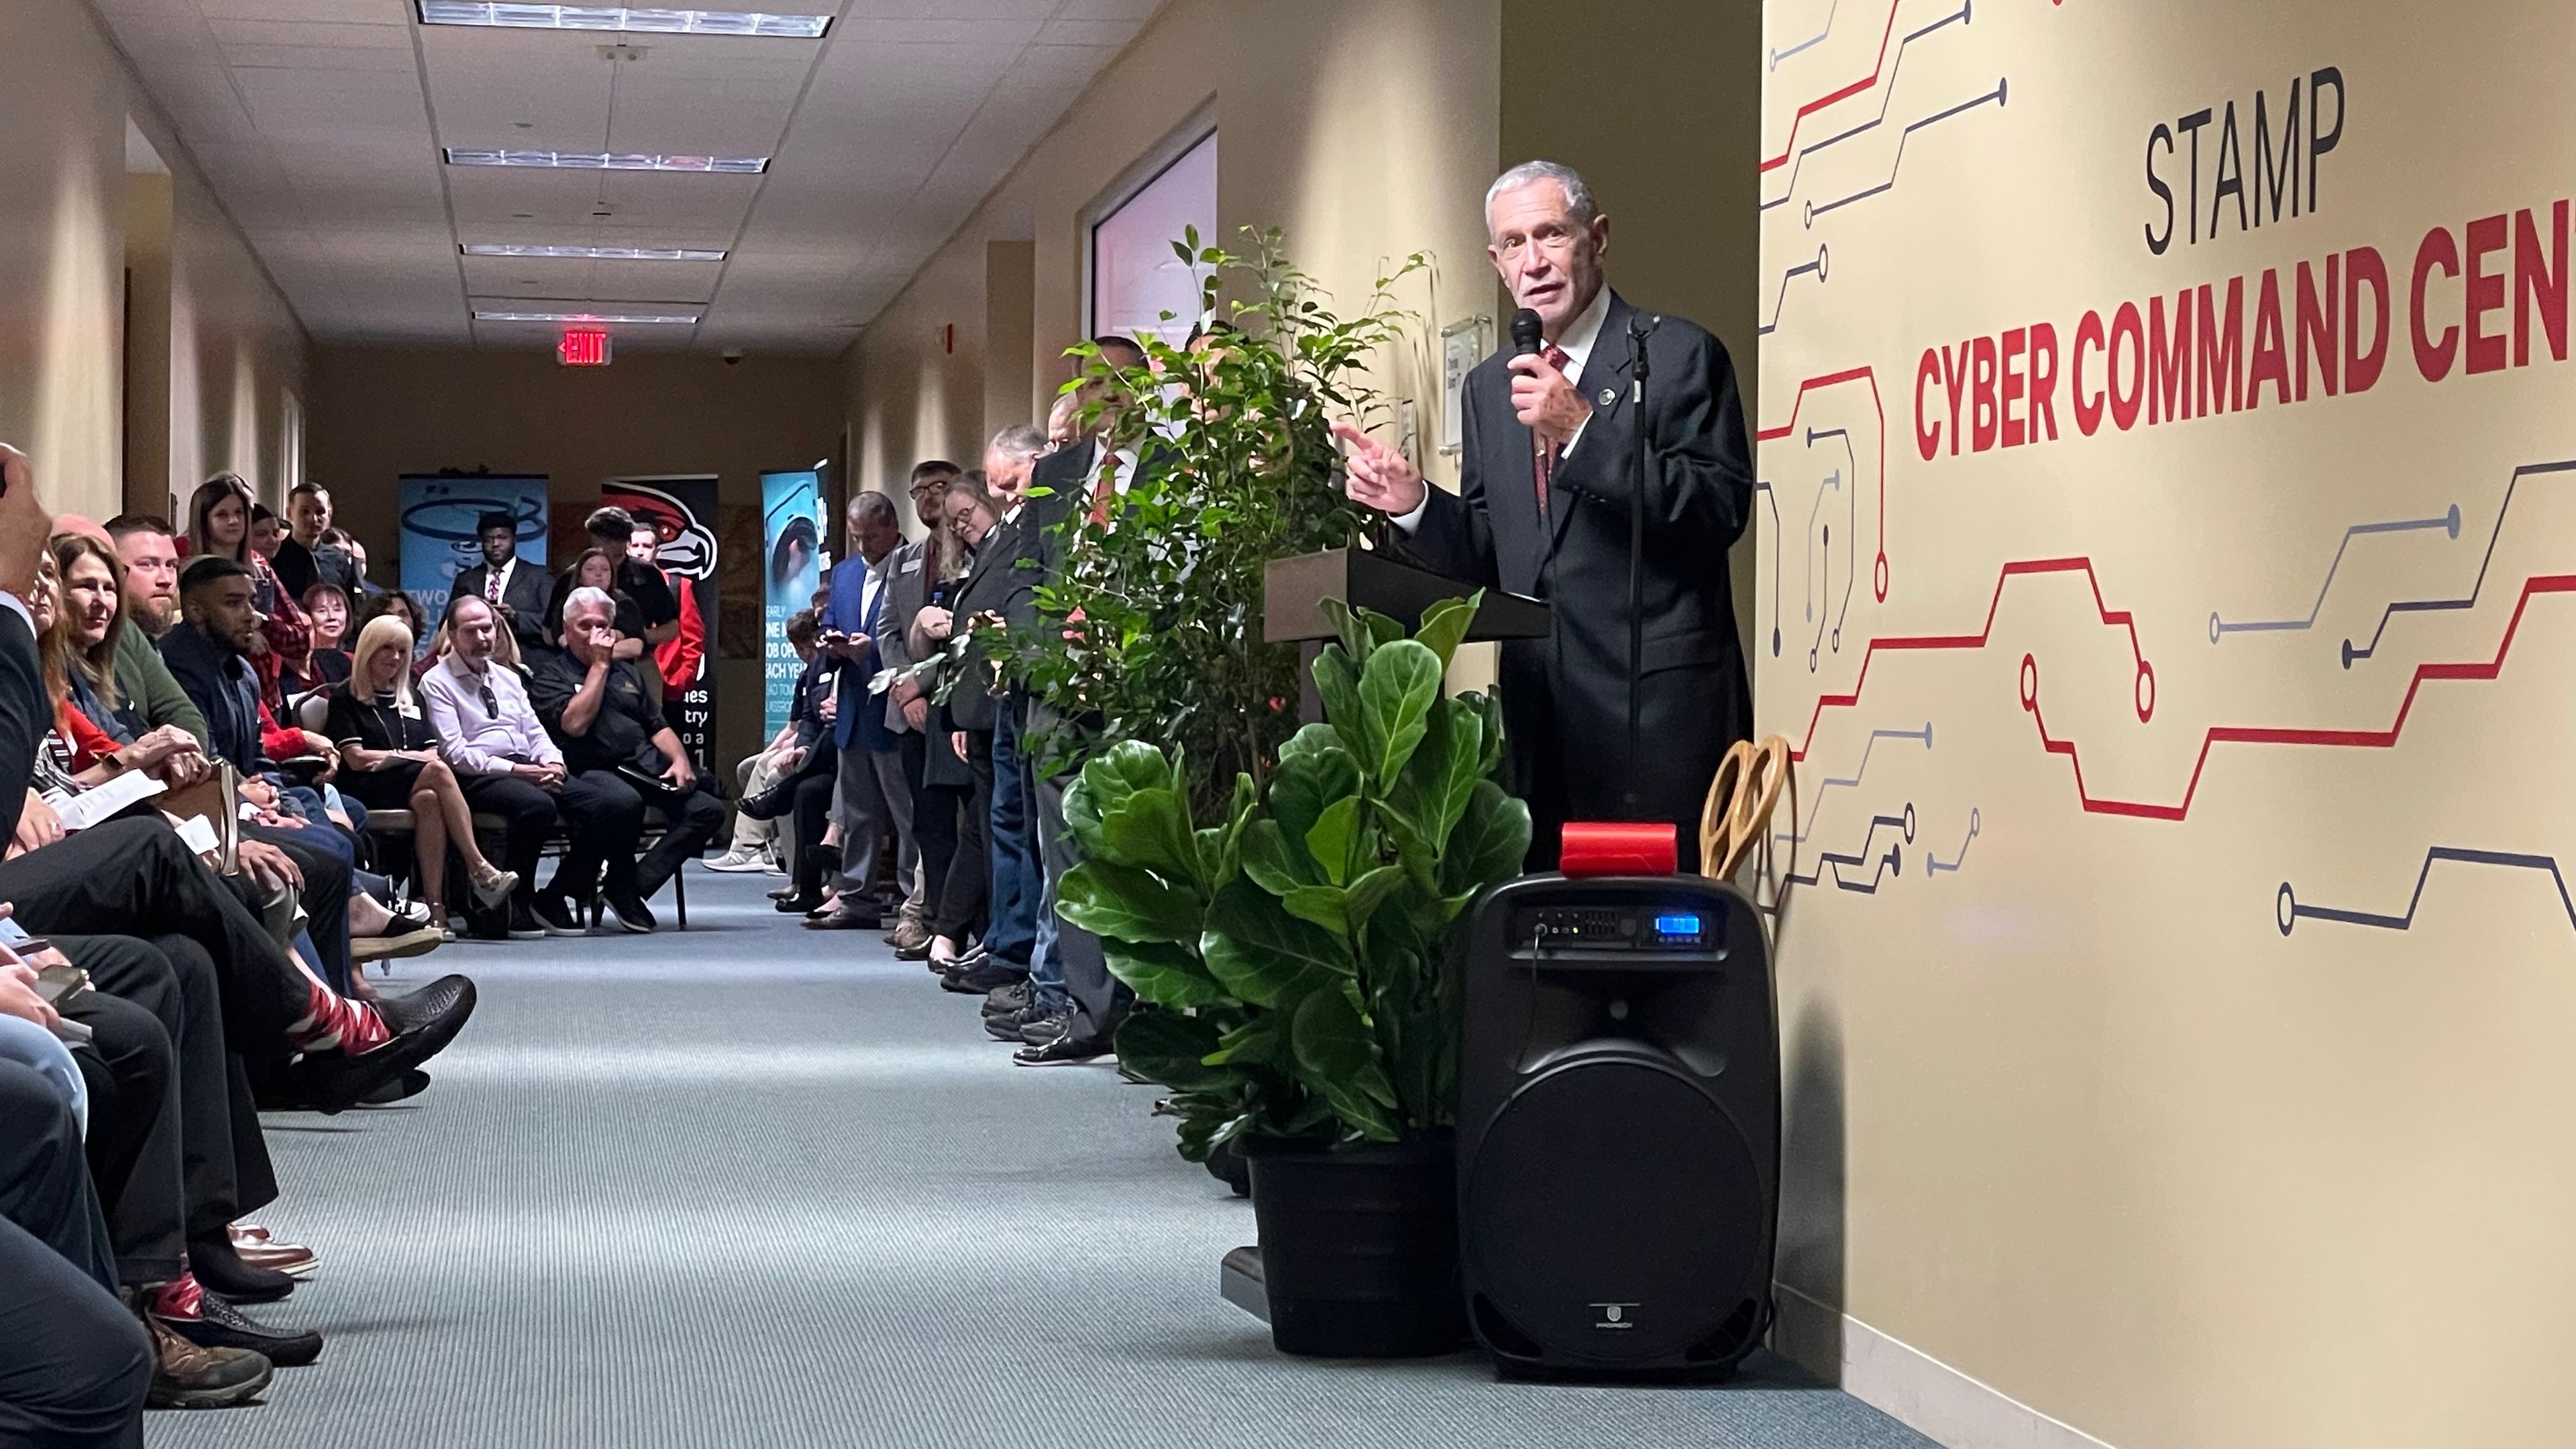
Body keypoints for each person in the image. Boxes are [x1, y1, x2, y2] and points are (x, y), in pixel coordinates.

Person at [1334, 159, 1754, 869]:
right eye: (1515, 244)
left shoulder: (1680, 355)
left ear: (1597, 237)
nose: (1534, 262)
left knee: (1666, 943)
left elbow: (1718, 511)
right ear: (1496, 262)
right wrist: (1414, 505)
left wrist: (1585, 431)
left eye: (1551, 236)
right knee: (1552, 951)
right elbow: (1491, 555)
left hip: (1659, 719)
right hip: (1543, 721)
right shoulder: (1491, 387)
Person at [1003, 335, 1154, 1064]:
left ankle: (1151, 1015)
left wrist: (1122, 650)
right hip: (1059, 692)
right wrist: (1053, 662)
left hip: (1145, 685)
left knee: (1141, 845)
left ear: (1147, 388)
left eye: (1123, 382)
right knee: (1067, 851)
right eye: (1094, 384)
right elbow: (1023, 581)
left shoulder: (1177, 472)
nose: (1109, 396)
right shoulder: (1056, 473)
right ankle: (1090, 1013)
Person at [527, 588, 724, 932]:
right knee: (621, 802)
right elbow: (574, 725)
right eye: (584, 625)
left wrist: (680, 760)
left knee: (707, 809)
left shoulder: (629, 674)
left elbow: (657, 726)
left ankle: (627, 887)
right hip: (588, 769)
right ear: (566, 628)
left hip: (643, 768)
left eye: (601, 625)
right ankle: (559, 893)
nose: (593, 634)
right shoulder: (551, 675)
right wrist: (600, 666)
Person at [325, 616, 520, 938]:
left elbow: (433, 752)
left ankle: (435, 910)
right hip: (366, 786)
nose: (396, 657)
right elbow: (357, 759)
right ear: (368, 650)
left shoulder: (410, 696)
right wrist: (408, 757)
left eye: (403, 650)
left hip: (413, 781)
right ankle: (480, 869)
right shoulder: (347, 697)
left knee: (430, 799)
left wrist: (402, 758)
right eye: (387, 648)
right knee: (439, 772)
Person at [419, 593, 575, 938]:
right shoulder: (437, 681)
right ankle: (516, 902)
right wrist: (520, 772)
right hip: (477, 776)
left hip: (527, 766)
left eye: (487, 629)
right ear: (453, 634)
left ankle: (555, 896)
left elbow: (535, 731)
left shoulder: (508, 677)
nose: (482, 638)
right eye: (471, 631)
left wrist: (553, 762)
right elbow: (455, 752)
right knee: (537, 806)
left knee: (605, 803)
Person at [806, 484, 924, 931]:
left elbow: (913, 638)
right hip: (853, 704)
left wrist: (871, 650)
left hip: (893, 706)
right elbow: (832, 622)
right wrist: (833, 644)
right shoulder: (845, 573)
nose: (863, 546)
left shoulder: (915, 565)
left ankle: (914, 898)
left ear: (892, 527)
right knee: (857, 812)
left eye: (871, 537)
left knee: (906, 812)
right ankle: (855, 894)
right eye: (856, 537)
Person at [978, 427, 1049, 992]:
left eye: (1010, 482)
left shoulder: (1052, 514)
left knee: (1031, 827)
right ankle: (1004, 939)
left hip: (1044, 680)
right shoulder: (1013, 523)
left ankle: (1024, 949)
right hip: (1005, 688)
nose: (1003, 496)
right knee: (1006, 819)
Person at [709, 609, 828, 877]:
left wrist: (788, 750)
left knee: (773, 772)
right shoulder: (805, 677)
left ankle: (747, 848)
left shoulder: (828, 670)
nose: (802, 653)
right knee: (748, 767)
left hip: (821, 748)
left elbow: (819, 726)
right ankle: (768, 846)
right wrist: (772, 750)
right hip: (803, 740)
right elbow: (794, 726)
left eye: (804, 646)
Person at [449, 511, 551, 658]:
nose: (495, 544)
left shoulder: (539, 577)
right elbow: (448, 625)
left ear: (514, 540)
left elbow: (553, 626)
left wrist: (515, 617)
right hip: (475, 662)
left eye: (502, 538)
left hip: (527, 664)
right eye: (489, 539)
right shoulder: (466, 580)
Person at [301, 581, 353, 686]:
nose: (331, 617)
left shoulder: (354, 661)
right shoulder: (300, 664)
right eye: (322, 611)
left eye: (337, 610)